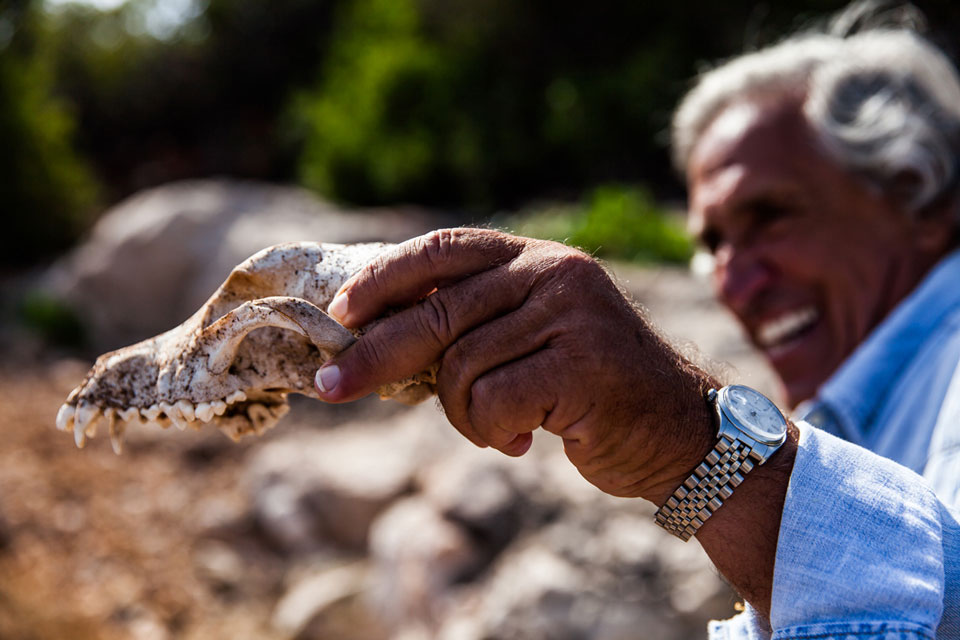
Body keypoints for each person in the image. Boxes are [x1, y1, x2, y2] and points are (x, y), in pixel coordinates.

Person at [312, 6, 960, 638]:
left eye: (771, 217)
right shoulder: (865, 406)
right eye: (713, 245)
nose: (733, 283)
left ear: (922, 201)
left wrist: (691, 438)